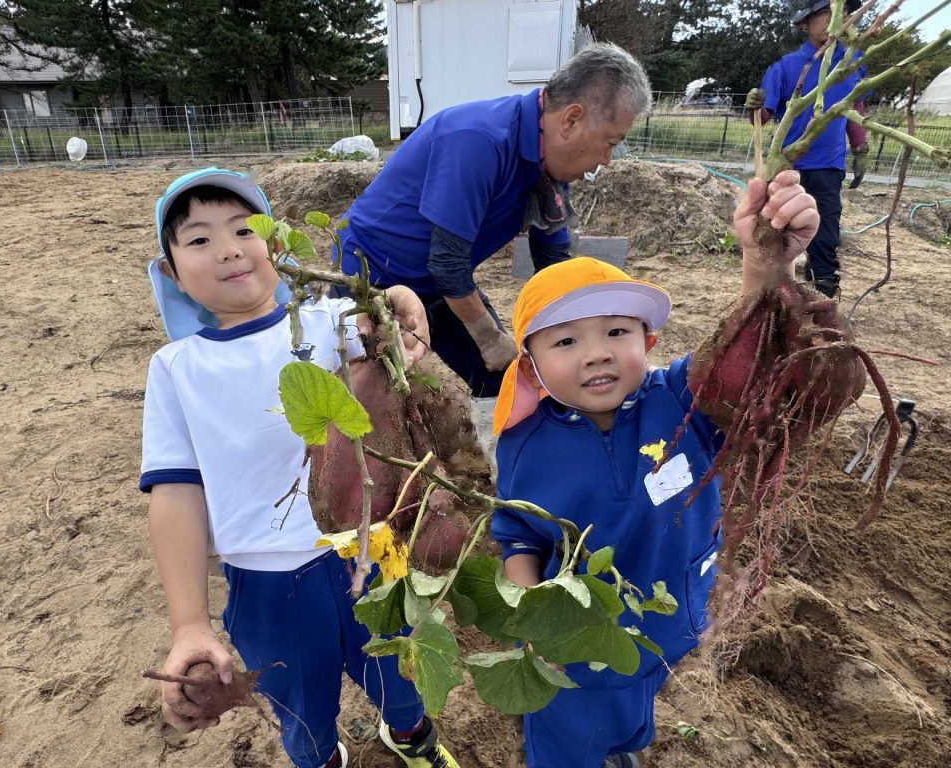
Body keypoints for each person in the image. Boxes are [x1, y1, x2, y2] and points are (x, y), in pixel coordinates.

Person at [489, 171, 820, 768]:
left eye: (617, 331)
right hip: (576, 648)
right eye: (564, 342)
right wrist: (531, 613)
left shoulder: (685, 399)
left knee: (634, 717)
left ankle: (623, 746)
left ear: (650, 339)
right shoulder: (524, 445)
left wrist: (768, 266)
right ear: (531, 366)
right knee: (569, 740)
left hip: (668, 623)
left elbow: (755, 358)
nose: (596, 352)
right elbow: (518, 535)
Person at [140, 167, 459, 768]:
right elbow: (175, 491)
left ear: (279, 247)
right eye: (199, 239)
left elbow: (401, 355)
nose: (229, 248)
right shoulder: (176, 368)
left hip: (367, 549)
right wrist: (188, 623)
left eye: (244, 229)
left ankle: (411, 735)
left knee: (398, 666)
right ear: (172, 273)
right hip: (266, 578)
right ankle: (319, 757)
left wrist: (398, 309)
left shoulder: (333, 322)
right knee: (296, 698)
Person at [335, 43, 652, 456]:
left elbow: (553, 269)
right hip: (372, 275)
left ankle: (502, 471)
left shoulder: (547, 167)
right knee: (384, 398)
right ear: (571, 119)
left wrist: (576, 340)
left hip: (439, 282)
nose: (607, 160)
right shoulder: (477, 140)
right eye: (610, 142)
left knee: (502, 378)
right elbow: (447, 264)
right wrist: (489, 338)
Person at [746, 0, 869, 298]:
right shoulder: (786, 67)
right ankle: (772, 292)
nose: (835, 20)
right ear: (806, 23)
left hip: (829, 165)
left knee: (826, 232)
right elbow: (764, 116)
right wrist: (754, 106)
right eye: (826, 13)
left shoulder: (852, 64)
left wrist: (861, 147)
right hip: (790, 167)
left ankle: (824, 292)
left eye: (842, 14)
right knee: (778, 228)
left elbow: (855, 107)